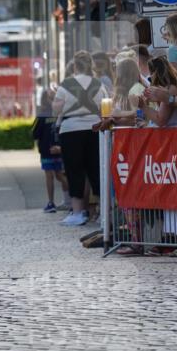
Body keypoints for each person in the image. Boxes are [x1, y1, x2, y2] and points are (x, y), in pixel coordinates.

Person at [52, 51, 104, 227]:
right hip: (94, 128)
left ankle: (77, 212)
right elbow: (104, 106)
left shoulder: (66, 84)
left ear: (74, 65)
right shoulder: (98, 84)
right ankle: (102, 212)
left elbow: (56, 109)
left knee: (75, 170)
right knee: (96, 169)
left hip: (71, 130)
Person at [32, 89, 69, 213]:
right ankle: (69, 200)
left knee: (50, 176)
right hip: (61, 149)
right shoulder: (60, 114)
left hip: (47, 151)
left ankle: (51, 202)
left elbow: (34, 133)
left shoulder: (42, 115)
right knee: (60, 175)